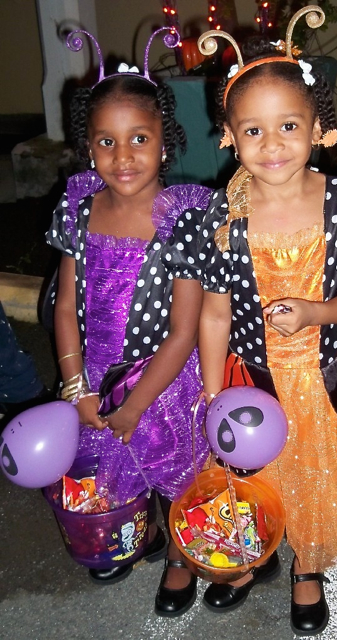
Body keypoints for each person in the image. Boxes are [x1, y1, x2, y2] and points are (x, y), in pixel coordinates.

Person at [177, 14, 337, 636]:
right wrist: (212, 392)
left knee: (317, 478)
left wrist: (318, 311)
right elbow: (213, 310)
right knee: (253, 473)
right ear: (229, 136)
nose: (273, 143)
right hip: (249, 375)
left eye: (289, 126)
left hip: (324, 377)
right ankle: (253, 550)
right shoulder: (222, 218)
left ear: (319, 129)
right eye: (253, 130)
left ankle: (307, 566)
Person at [45, 29, 211, 618]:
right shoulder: (81, 207)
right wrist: (77, 386)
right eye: (106, 142)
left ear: (165, 141)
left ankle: (181, 553)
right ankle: (131, 529)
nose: (123, 158)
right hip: (95, 373)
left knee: (178, 470)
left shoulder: (182, 218)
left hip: (162, 379)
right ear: (89, 149)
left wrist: (135, 405)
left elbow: (184, 332)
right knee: (109, 462)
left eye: (139, 138)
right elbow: (66, 307)